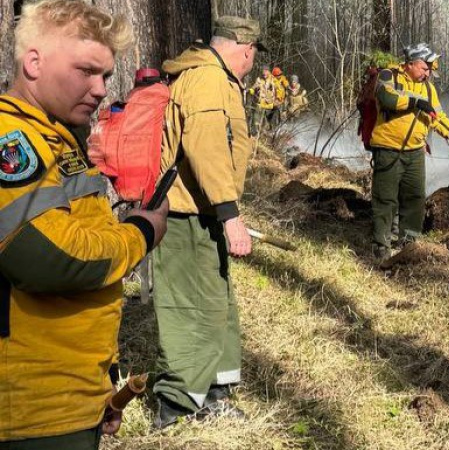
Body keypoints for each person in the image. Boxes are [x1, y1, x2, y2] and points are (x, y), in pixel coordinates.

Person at [0, 1, 169, 448]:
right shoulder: (10, 139)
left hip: (70, 397)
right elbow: (46, 256)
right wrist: (142, 232)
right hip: (31, 411)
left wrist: (99, 392)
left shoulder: (61, 140)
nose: (98, 89)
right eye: (85, 71)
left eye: (106, 76)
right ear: (33, 62)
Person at [152, 15, 264, 429]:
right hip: (183, 215)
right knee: (187, 307)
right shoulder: (207, 80)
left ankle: (212, 393)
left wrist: (223, 211)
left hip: (202, 212)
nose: (252, 62)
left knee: (216, 305)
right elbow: (206, 150)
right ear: (245, 49)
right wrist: (230, 214)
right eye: (252, 55)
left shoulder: (213, 77)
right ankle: (177, 405)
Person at [369, 43, 449, 261]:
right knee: (386, 200)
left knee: (414, 200)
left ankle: (409, 247)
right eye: (425, 68)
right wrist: (415, 102)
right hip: (388, 149)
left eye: (430, 70)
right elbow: (387, 99)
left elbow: (438, 117)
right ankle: (381, 249)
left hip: (415, 153)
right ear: (411, 63)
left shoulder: (428, 89)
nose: (428, 73)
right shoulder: (389, 75)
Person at [248, 65, 276, 132]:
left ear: (269, 71)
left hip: (270, 105)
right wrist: (252, 89)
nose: (264, 73)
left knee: (269, 123)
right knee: (256, 121)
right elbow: (255, 86)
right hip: (260, 104)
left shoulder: (273, 80)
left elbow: (278, 91)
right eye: (263, 71)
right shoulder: (259, 79)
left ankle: (270, 133)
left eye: (266, 71)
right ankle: (257, 133)